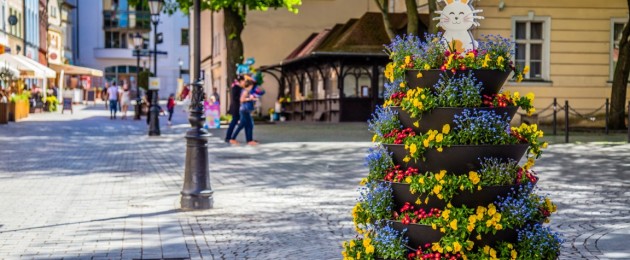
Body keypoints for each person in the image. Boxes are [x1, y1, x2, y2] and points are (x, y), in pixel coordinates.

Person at [229, 77, 258, 146]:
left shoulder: (246, 91)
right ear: (250, 86)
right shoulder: (245, 91)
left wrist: (252, 98)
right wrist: (249, 99)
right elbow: (241, 100)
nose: (252, 88)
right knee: (245, 125)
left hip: (245, 110)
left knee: (249, 125)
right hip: (244, 110)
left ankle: (249, 140)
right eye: (252, 86)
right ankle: (233, 139)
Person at [225, 76, 244, 143]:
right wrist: (242, 98)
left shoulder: (238, 88)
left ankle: (230, 137)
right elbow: (235, 98)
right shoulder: (236, 88)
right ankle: (228, 137)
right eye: (243, 81)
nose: (244, 83)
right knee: (234, 123)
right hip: (236, 108)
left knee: (242, 123)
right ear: (240, 81)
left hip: (237, 108)